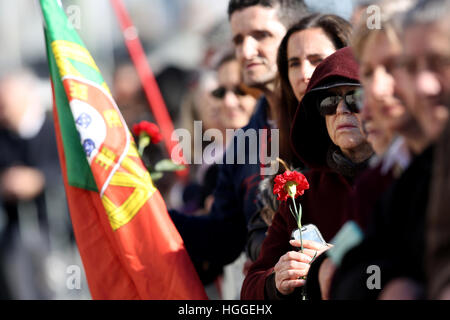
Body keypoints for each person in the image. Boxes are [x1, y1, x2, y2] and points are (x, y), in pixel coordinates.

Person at [169, 0, 308, 276]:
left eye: (261, 35)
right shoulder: (241, 144)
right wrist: (148, 210)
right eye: (238, 39)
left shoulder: (330, 118)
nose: (246, 51)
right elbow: (222, 238)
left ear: (296, 37)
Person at [327, 0, 450, 300]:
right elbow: (343, 274)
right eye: (368, 73)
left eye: (395, 66)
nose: (377, 91)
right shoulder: (393, 177)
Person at [241, 47, 374, 300]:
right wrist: (277, 281)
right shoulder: (301, 191)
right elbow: (250, 289)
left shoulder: (402, 174)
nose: (341, 110)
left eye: (356, 98)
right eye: (329, 102)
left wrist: (340, 260)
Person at [245, 14, 353, 263]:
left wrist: (335, 258)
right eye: (294, 63)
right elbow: (257, 237)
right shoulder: (276, 140)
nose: (304, 73)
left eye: (317, 60)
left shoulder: (371, 140)